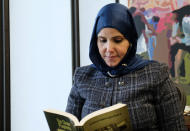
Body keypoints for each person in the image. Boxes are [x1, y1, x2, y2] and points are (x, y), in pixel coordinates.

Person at [66, 3, 186, 130]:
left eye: (117, 40)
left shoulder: (155, 75)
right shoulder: (83, 76)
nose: (109, 49)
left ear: (130, 41)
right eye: (102, 40)